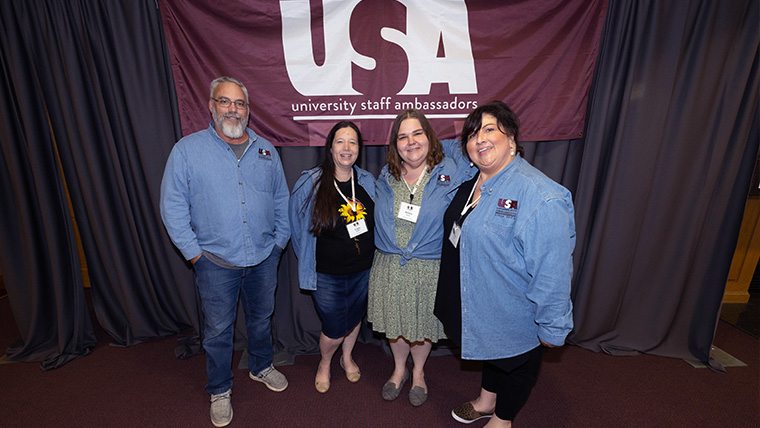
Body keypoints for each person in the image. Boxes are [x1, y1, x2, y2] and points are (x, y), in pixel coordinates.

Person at [434, 101, 575, 427]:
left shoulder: (540, 196)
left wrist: (554, 326)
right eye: (471, 134)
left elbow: (552, 271)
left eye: (489, 130)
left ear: (512, 139)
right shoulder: (474, 176)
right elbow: (447, 146)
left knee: (518, 361)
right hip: (480, 302)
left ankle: (502, 418)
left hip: (514, 310)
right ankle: (486, 401)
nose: (479, 139)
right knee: (492, 350)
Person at [160, 76, 290, 427]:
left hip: (264, 257)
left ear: (248, 110)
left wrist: (279, 244)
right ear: (211, 106)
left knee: (262, 319)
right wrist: (194, 254)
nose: (233, 109)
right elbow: (172, 207)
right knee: (218, 331)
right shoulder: (187, 151)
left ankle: (261, 366)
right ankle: (219, 389)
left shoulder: (266, 150)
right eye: (225, 101)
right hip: (214, 262)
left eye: (240, 103)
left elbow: (281, 199)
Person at [368, 109, 476, 407]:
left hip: (429, 267)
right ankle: (399, 369)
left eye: (418, 134)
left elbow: (468, 144)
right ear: (394, 144)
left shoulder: (450, 169)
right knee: (397, 324)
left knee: (420, 326)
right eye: (402, 137)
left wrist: (439, 143)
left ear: (430, 137)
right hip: (391, 266)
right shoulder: (386, 175)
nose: (410, 142)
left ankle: (419, 374)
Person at [289, 121, 376, 393]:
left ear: (359, 149)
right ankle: (325, 362)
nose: (347, 147)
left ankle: (347, 358)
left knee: (354, 317)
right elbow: (295, 227)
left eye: (352, 142)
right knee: (335, 325)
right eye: (341, 141)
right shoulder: (311, 183)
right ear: (330, 147)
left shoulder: (367, 182)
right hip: (326, 274)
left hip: (363, 270)